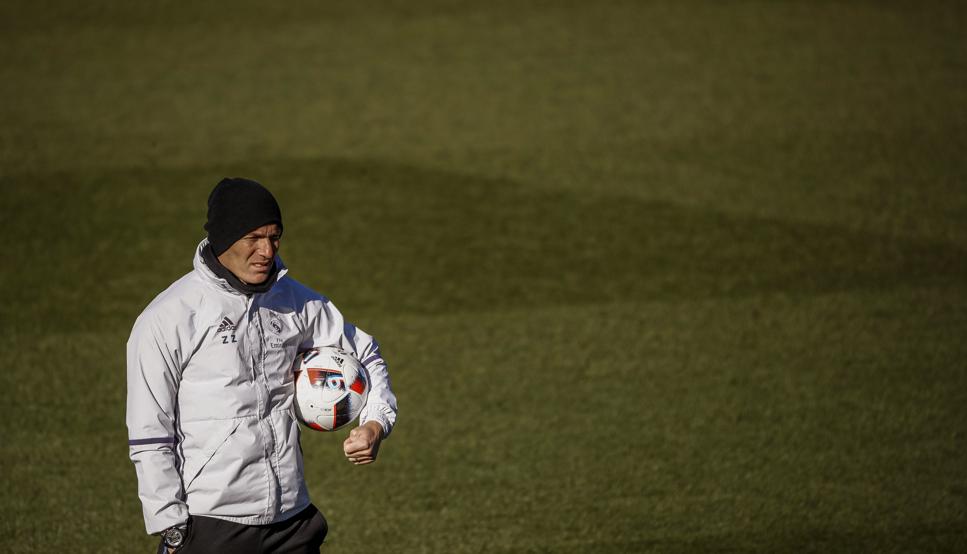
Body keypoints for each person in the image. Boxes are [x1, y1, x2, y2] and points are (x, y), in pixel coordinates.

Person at [126, 178, 397, 553]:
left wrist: (374, 423)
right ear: (224, 239)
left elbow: (366, 354)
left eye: (274, 237)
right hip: (211, 523)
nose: (266, 251)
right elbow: (149, 433)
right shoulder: (169, 317)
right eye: (253, 238)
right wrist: (171, 527)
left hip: (291, 521)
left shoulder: (296, 301)